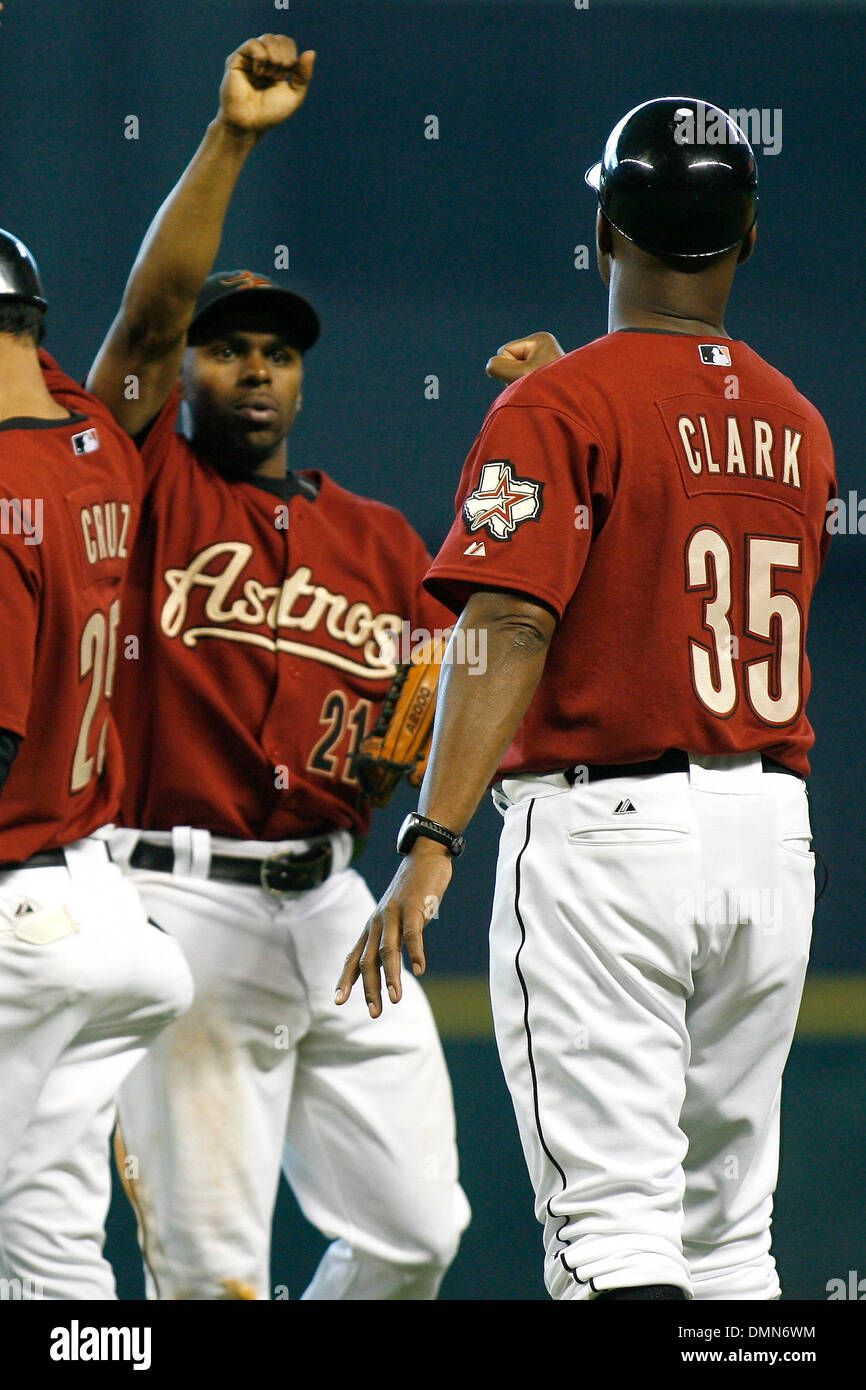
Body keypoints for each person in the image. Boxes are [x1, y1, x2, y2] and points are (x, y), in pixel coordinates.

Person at [336, 97, 837, 1301]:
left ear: (603, 226)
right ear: (750, 236)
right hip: (767, 840)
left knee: (611, 1234)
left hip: (609, 841)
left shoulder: (560, 409)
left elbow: (505, 625)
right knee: (728, 1248)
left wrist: (432, 838)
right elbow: (670, 535)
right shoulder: (797, 424)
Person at [85, 34, 469, 1300]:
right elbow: (143, 318)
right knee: (211, 1281)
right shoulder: (145, 481)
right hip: (175, 899)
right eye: (226, 346)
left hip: (333, 906)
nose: (253, 367)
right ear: (184, 370)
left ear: (302, 375)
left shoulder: (378, 540)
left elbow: (434, 701)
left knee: (417, 1235)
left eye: (278, 350)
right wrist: (233, 137)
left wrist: (402, 764)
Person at [0, 228, 192, 1300]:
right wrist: (228, 145)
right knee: (54, 1265)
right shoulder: (88, 443)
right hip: (108, 924)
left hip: (18, 926)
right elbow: (154, 318)